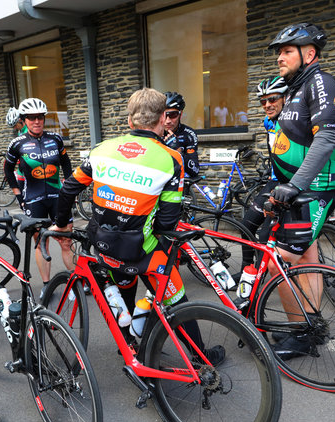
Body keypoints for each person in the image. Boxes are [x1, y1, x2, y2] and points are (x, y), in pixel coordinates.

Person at [50, 87, 224, 365]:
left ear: (129, 122)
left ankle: (127, 344)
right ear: (161, 121)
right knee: (177, 300)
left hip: (105, 244)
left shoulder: (101, 149)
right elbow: (167, 220)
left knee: (124, 290)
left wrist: (62, 226)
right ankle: (201, 357)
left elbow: (67, 190)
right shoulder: (170, 158)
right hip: (146, 250)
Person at [266, 23, 335, 358]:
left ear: (309, 53)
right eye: (279, 53)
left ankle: (302, 334)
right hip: (302, 188)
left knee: (279, 262)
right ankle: (312, 324)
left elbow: (326, 137)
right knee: (308, 256)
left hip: (315, 188)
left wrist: (295, 184)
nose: (280, 58)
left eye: (286, 51)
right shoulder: (296, 87)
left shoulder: (320, 82)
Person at [3, 98, 74, 292]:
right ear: (24, 120)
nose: (37, 121)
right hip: (33, 199)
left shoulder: (55, 138)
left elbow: (66, 163)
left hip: (58, 197)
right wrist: (18, 196)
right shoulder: (17, 143)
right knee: (41, 241)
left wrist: (69, 186)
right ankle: (46, 285)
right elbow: (8, 171)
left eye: (40, 117)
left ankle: (77, 281)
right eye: (32, 118)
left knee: (67, 241)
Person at [240, 76, 287, 266]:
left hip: (289, 184)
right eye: (263, 101)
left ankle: (256, 286)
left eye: (273, 99)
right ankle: (246, 271)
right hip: (275, 180)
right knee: (246, 226)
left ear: (285, 98)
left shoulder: (291, 123)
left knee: (265, 237)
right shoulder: (269, 122)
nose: (267, 104)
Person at [162, 91, 200, 178]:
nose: (168, 121)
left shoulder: (189, 134)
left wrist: (178, 151)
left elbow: (195, 171)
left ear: (181, 114)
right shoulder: (154, 133)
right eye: (164, 115)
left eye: (173, 115)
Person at [5, 106, 27, 191]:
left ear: (20, 120)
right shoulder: (20, 131)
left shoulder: (29, 131)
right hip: (21, 170)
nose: (14, 128)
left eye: (15, 125)